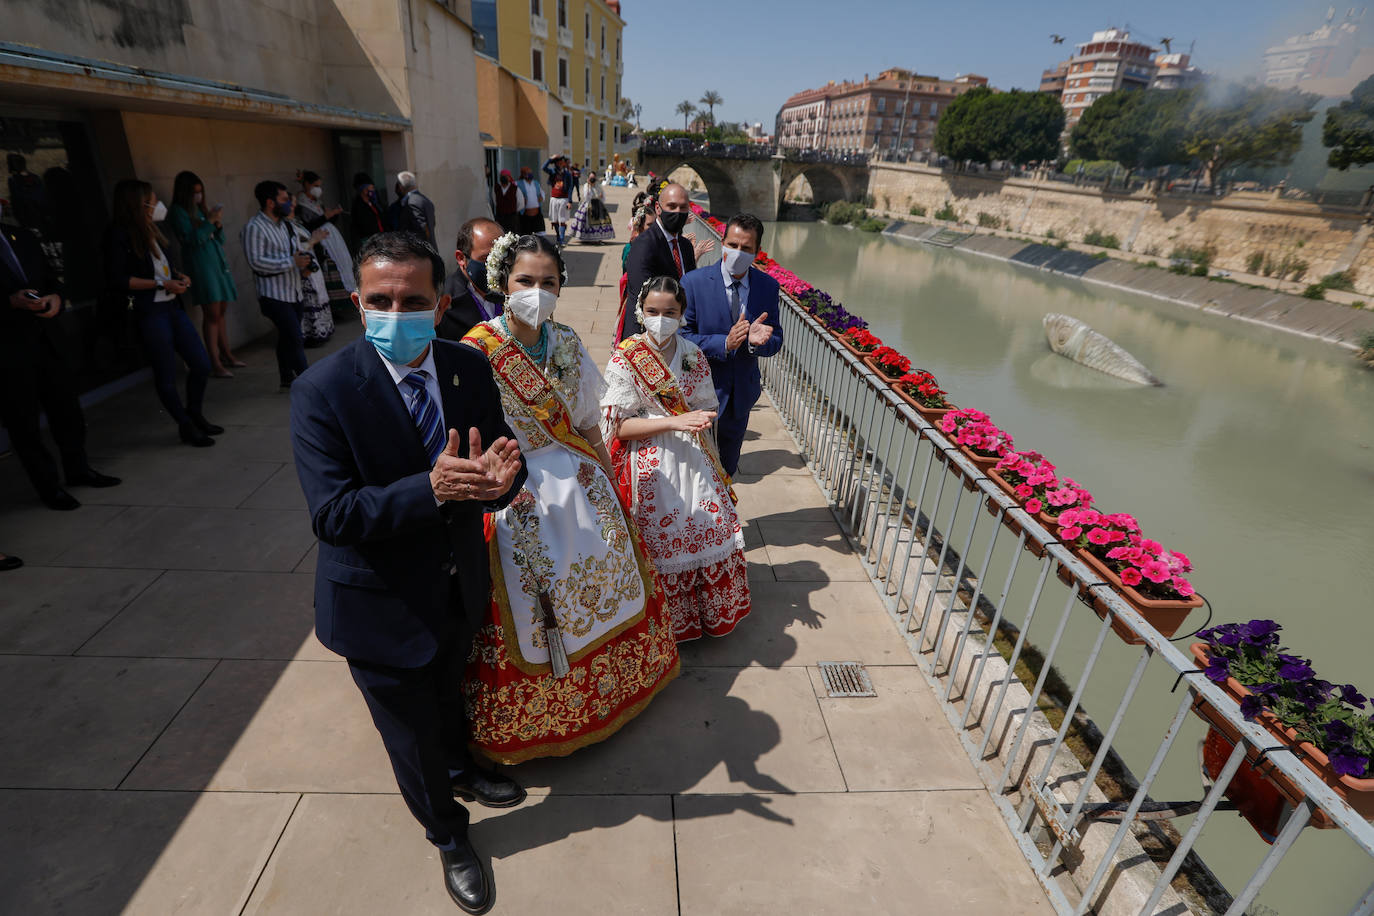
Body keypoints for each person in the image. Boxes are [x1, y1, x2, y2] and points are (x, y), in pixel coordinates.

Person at [290, 231, 527, 914]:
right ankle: (449, 835)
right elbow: (334, 514)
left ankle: (463, 768)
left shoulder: (467, 368)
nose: (396, 311)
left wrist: (499, 484)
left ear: (440, 301)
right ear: (360, 306)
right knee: (409, 733)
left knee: (451, 695)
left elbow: (503, 466)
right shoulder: (322, 391)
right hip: (377, 604)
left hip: (457, 582)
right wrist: (432, 490)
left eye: (412, 300)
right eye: (380, 300)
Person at [460, 233, 680, 764]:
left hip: (577, 475)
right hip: (512, 484)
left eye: (549, 283)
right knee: (531, 597)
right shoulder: (474, 350)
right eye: (525, 282)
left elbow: (586, 419)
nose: (538, 292)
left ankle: (615, 688)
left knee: (607, 569)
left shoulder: (566, 341)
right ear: (502, 285)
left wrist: (609, 481)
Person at [603, 276, 750, 641]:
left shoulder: (691, 354)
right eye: (653, 311)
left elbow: (704, 406)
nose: (661, 318)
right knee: (658, 535)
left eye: (670, 312)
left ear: (682, 313)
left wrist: (697, 419)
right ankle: (655, 621)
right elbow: (617, 426)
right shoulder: (626, 356)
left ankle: (701, 617)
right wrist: (673, 421)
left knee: (706, 526)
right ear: (640, 311)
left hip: (691, 456)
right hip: (647, 462)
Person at [2, 205, 120, 509]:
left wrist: (55, 296)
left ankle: (78, 469)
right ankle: (49, 487)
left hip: (48, 339)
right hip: (9, 351)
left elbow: (51, 278)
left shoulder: (21, 236)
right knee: (25, 425)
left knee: (67, 411)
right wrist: (9, 302)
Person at [105, 180, 220, 448]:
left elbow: (161, 268)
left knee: (200, 364)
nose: (158, 205)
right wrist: (162, 284)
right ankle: (185, 424)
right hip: (150, 311)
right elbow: (119, 279)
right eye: (152, 201)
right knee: (166, 373)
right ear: (137, 203)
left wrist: (177, 276)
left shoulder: (153, 229)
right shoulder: (118, 235)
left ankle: (195, 414)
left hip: (171, 306)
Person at [681, 213, 783, 477]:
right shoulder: (693, 283)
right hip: (698, 397)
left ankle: (723, 518)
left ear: (757, 252)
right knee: (694, 474)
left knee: (726, 473)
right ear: (723, 242)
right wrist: (724, 343)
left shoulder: (767, 287)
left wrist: (756, 343)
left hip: (740, 399)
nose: (738, 252)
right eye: (733, 245)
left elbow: (776, 340)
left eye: (746, 248)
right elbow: (681, 338)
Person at [168, 170, 243, 378]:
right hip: (201, 267)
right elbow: (192, 240)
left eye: (200, 192)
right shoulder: (178, 212)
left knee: (221, 312)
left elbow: (219, 239)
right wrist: (209, 222)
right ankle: (215, 361)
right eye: (194, 192)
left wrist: (216, 224)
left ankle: (227, 353)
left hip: (218, 264)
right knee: (211, 314)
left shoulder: (200, 210)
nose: (198, 196)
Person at [241, 180, 310, 389]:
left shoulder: (286, 225)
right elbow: (256, 262)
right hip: (273, 295)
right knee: (295, 338)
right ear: (270, 202)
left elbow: (296, 251)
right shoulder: (254, 227)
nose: (289, 203)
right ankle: (310, 385)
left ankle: (286, 376)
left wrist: (305, 264)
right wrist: (291, 262)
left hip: (294, 291)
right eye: (284, 199)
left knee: (288, 336)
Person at [619, 182, 697, 341]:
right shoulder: (644, 244)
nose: (678, 212)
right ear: (658, 208)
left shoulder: (685, 246)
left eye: (683, 207)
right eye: (672, 206)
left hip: (677, 335)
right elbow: (643, 294)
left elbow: (691, 287)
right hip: (646, 336)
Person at [294, 170, 357, 307]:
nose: (318, 189)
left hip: (329, 238)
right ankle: (333, 304)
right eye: (315, 185)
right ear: (307, 184)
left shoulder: (316, 201)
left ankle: (340, 303)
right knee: (327, 270)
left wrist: (334, 214)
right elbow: (308, 225)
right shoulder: (302, 204)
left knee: (341, 265)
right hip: (318, 242)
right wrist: (326, 217)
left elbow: (325, 220)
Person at [437, 217, 504, 341]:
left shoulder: (513, 291)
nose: (496, 266)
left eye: (501, 256)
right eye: (486, 258)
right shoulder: (444, 304)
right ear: (461, 258)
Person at [569, 170, 613, 244]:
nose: (592, 179)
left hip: (598, 204)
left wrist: (600, 198)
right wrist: (589, 186)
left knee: (600, 222)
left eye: (593, 178)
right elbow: (586, 196)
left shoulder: (598, 186)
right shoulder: (586, 186)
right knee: (584, 221)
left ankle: (598, 238)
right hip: (587, 205)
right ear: (588, 178)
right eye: (591, 178)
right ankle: (586, 238)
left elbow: (602, 196)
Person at [395, 171, 437, 246]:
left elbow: (422, 229)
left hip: (422, 252)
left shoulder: (412, 202)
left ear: (401, 187)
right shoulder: (424, 199)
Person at [542, 155, 573, 248]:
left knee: (562, 219)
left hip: (563, 199)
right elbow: (543, 167)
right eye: (558, 161)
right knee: (554, 220)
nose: (560, 163)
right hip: (554, 198)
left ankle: (562, 239)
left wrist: (570, 201)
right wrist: (550, 159)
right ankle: (558, 237)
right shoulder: (552, 172)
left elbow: (570, 188)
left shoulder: (567, 174)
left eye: (561, 161)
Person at [350, 173, 385, 250]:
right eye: (371, 188)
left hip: (381, 238)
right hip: (370, 243)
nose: (373, 190)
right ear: (364, 189)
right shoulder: (358, 206)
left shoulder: (374, 202)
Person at [514, 167, 544, 236]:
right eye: (528, 173)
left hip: (537, 214)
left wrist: (542, 197)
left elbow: (541, 193)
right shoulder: (518, 183)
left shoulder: (536, 183)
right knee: (526, 235)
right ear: (523, 174)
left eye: (530, 173)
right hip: (525, 215)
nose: (530, 174)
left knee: (540, 234)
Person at [491, 169, 520, 234]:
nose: (504, 178)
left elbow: (521, 203)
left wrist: (512, 209)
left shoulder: (515, 188)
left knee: (513, 235)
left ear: (509, 177)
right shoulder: (496, 188)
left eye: (506, 176)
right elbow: (495, 201)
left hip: (512, 217)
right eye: (502, 176)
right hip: (500, 216)